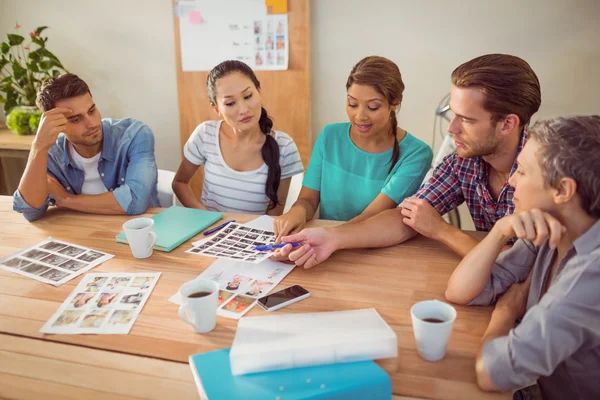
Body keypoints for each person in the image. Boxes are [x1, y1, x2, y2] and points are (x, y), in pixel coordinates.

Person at [277, 54, 541, 268]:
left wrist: (442, 231)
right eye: (454, 115)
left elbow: (517, 265)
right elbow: (404, 218)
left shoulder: (548, 173)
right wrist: (331, 238)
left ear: (508, 123)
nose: (452, 129)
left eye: (467, 120)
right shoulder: (463, 164)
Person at [445, 116, 600, 399]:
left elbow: (492, 373)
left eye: (524, 171)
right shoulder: (551, 230)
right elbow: (461, 292)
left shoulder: (592, 273)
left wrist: (504, 315)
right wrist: (500, 231)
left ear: (563, 190)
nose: (512, 180)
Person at [274, 56, 432, 238]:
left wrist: (328, 238)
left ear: (395, 102)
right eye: (352, 104)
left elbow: (370, 217)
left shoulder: (416, 154)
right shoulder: (330, 136)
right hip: (326, 244)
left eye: (373, 107)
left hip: (375, 247)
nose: (359, 116)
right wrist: (296, 212)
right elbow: (308, 200)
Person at [13, 74, 160, 222]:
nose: (92, 124)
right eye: (76, 119)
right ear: (56, 125)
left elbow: (135, 201)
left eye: (91, 111)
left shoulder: (134, 135)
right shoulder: (51, 152)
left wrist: (65, 199)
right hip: (83, 236)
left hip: (140, 236)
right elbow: (30, 211)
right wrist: (38, 147)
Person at [172, 60, 303, 215]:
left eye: (248, 96)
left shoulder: (284, 146)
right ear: (217, 109)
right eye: (230, 103)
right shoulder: (205, 134)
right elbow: (180, 183)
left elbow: (273, 217)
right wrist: (206, 217)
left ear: (258, 91)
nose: (243, 109)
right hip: (210, 233)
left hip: (254, 236)